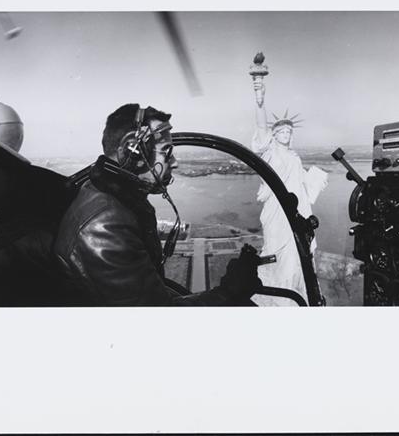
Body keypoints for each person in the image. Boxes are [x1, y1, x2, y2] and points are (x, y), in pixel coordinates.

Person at [53, 103, 262, 306]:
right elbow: (157, 319)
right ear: (133, 153)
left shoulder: (113, 201)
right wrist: (230, 291)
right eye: (167, 152)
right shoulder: (106, 227)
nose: (175, 163)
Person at [250, 80, 328, 306]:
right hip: (277, 210)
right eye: (281, 131)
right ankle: (279, 295)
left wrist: (317, 177)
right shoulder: (270, 152)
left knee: (297, 253)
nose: (285, 134)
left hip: (298, 209)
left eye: (288, 131)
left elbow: (303, 182)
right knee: (277, 251)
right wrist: (260, 101)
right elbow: (261, 129)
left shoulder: (294, 157)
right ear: (274, 135)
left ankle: (296, 293)